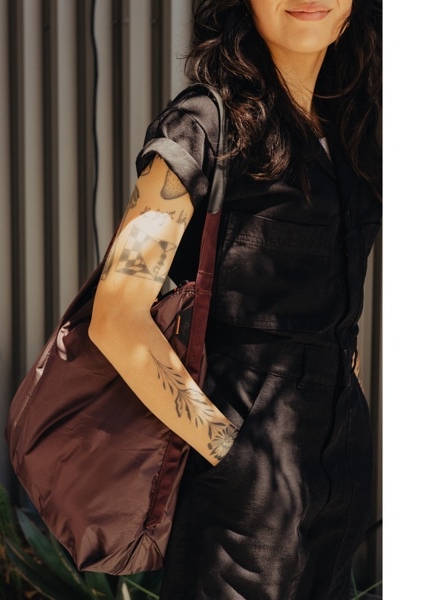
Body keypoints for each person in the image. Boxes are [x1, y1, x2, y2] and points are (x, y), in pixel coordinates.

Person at [88, 0, 382, 598]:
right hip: (242, 481)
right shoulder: (203, 125)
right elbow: (116, 317)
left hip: (342, 462)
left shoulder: (356, 129)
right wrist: (228, 452)